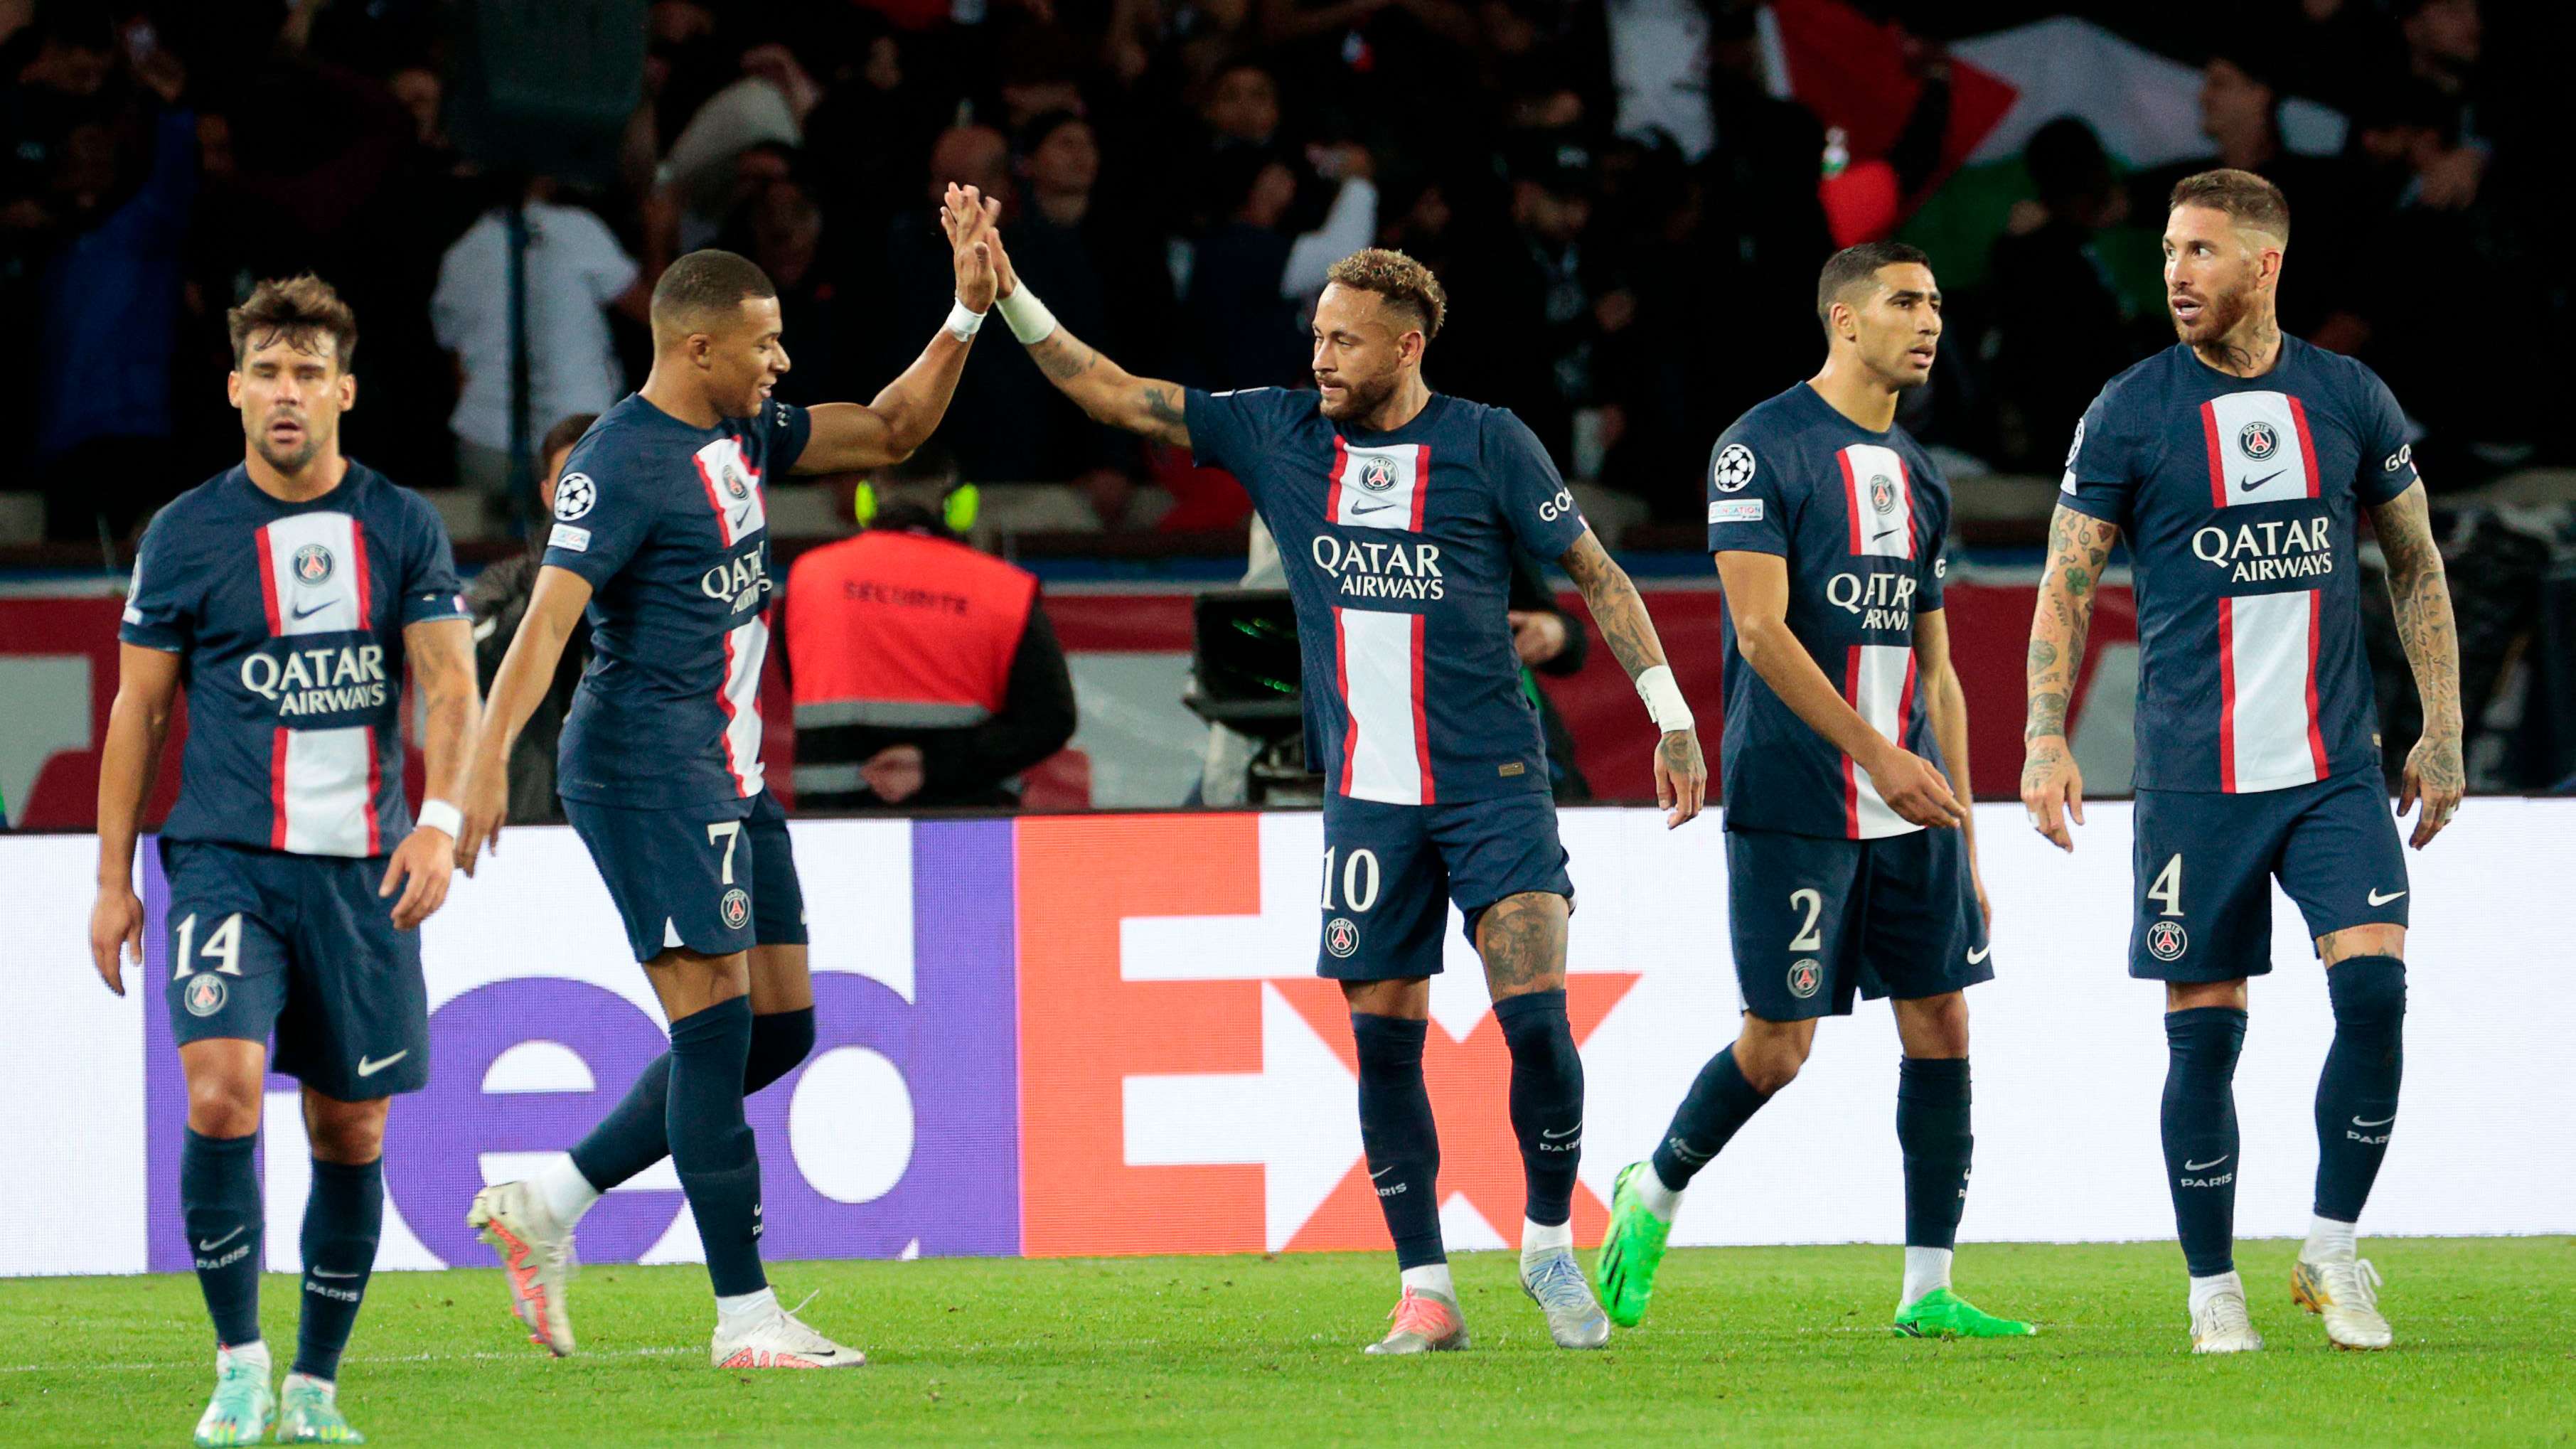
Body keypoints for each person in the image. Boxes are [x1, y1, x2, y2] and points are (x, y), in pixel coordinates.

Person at [966, 203, 1707, 1354]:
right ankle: (1424, 1288)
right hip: (1366, 793)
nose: (1319, 357)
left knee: (1538, 1027)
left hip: (1494, 781)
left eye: (1343, 340)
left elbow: (1598, 576)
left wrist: (1667, 718)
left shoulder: (1486, 441)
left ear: (1406, 346)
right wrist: (1002, 291)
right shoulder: (1275, 433)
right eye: (1315, 335)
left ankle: (1547, 1239)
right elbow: (1114, 390)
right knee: (1384, 1040)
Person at [454, 207, 999, 1369]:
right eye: (765, 341)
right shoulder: (618, 459)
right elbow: (547, 620)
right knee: (710, 1031)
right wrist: (483, 767)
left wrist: (966, 310)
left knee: (778, 1028)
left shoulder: (743, 434)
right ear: (697, 347)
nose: (781, 359)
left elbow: (895, 427)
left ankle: (549, 1196)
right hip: (647, 768)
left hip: (730, 770)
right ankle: (745, 1317)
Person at [2023, 169, 2464, 1354]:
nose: (2175, 271)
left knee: (2372, 990)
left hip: (2330, 770)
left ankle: (2329, 1251)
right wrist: (2044, 733)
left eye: (2201, 251)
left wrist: (2441, 727)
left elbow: (2415, 566)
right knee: (2204, 1032)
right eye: (2169, 249)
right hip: (2190, 781)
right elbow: (2064, 583)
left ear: (2263, 265)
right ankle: (2209, 1280)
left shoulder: (2343, 395)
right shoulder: (2126, 410)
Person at [1591, 242, 2029, 1342]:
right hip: (1798, 796)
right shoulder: (1759, 448)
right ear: (1842, 318)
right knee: (1778, 1043)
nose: (1926, 320)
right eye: (1902, 301)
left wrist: (1968, 838)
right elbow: (1756, 629)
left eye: (1935, 301)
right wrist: (1873, 755)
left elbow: (1935, 668)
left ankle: (1925, 1288)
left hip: (1911, 808)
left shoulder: (1921, 474)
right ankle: (1653, 1188)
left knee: (1940, 1020)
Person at [85, 274, 478, 1446]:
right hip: (223, 861)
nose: (287, 391)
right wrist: (113, 881)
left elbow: (451, 684)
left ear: (345, 389)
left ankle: (313, 1388)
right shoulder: (186, 533)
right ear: (234, 390)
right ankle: (237, 1366)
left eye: (309, 371)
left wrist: (441, 819)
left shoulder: (400, 522)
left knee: (349, 1132)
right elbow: (136, 714)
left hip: (362, 869)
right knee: (222, 1088)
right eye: (267, 370)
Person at [780, 445, 1076, 810]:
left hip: (837, 831)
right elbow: (1051, 721)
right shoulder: (1006, 590)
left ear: (867, 501)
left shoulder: (811, 578)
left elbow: (801, 679)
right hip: (968, 829)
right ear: (961, 506)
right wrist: (935, 765)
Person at [431, 178, 653, 503]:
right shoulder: (578, 230)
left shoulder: (462, 253)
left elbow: (458, 365)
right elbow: (656, 313)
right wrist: (659, 232)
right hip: (579, 437)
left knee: (498, 554)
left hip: (488, 439)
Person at [465, 412, 599, 825]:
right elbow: (474, 666)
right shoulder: (506, 582)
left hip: (621, 804)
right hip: (531, 807)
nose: (586, 491)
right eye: (570, 478)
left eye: (595, 475)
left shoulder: (645, 589)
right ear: (546, 494)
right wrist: (554, 582)